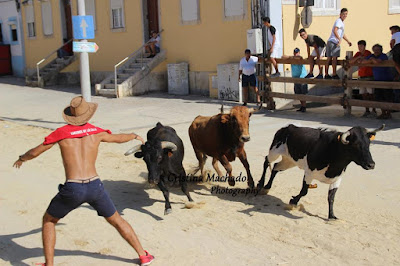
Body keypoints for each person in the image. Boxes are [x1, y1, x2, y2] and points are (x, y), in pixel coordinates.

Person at [13, 96, 155, 266]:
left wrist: (22, 158)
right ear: (87, 115)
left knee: (49, 221)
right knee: (117, 220)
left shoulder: (60, 134)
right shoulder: (96, 132)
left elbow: (35, 152)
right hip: (95, 186)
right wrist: (133, 135)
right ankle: (143, 255)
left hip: (73, 188)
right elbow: (118, 138)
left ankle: (49, 264)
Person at [361, 44, 394, 119]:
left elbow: (377, 62)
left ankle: (388, 113)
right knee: (379, 98)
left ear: (381, 50)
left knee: (387, 97)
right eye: (375, 50)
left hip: (386, 80)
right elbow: (363, 62)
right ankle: (383, 113)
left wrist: (372, 60)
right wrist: (372, 59)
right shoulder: (372, 56)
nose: (376, 51)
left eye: (378, 50)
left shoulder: (383, 56)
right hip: (377, 80)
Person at [349, 40, 376, 117]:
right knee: (363, 93)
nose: (359, 48)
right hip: (361, 76)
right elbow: (351, 61)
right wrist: (358, 57)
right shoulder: (358, 54)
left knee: (371, 93)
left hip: (369, 76)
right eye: (358, 46)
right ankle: (367, 110)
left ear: (364, 46)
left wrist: (360, 60)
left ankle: (373, 109)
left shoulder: (368, 53)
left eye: (361, 46)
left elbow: (366, 61)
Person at [325, 8, 352, 79]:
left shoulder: (341, 23)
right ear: (340, 14)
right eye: (344, 14)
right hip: (334, 42)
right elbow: (335, 30)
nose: (345, 16)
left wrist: (347, 41)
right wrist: (339, 39)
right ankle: (333, 74)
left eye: (346, 14)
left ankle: (326, 74)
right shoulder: (339, 21)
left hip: (330, 41)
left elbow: (342, 34)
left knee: (329, 58)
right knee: (334, 58)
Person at [282, 48, 308, 112]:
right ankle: (302, 106)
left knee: (303, 93)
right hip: (295, 78)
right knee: (298, 93)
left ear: (299, 52)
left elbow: (300, 58)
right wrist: (291, 57)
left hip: (302, 77)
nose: (296, 54)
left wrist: (294, 57)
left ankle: (304, 106)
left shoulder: (300, 59)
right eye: (295, 53)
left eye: (297, 53)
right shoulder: (292, 59)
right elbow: (283, 56)